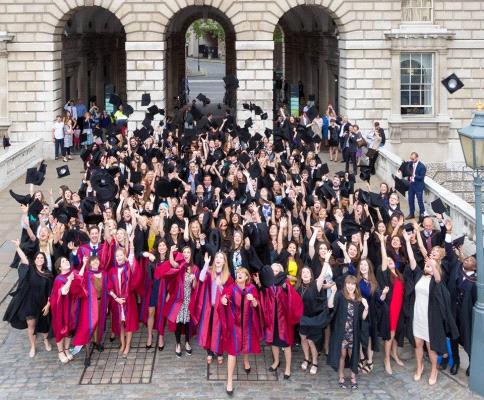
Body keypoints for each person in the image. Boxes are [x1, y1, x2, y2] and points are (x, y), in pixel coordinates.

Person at [404, 229, 458, 385]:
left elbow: (438, 277)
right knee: (418, 344)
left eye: (429, 266)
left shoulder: (436, 280)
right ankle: (419, 367)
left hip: (431, 318)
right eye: (427, 265)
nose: (426, 266)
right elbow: (413, 260)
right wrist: (408, 242)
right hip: (418, 316)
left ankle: (434, 370)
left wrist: (433, 264)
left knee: (431, 347)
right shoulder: (420, 274)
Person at [3, 240, 53, 358]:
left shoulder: (48, 274)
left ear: (44, 260)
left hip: (43, 303)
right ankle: (33, 346)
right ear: (34, 260)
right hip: (30, 303)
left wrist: (48, 304)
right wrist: (17, 247)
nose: (40, 260)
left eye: (42, 258)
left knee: (45, 325)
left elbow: (50, 292)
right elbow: (24, 260)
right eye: (38, 258)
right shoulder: (30, 270)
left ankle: (46, 340)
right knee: (31, 325)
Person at [219, 268, 262, 396]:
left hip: (248, 324)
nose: (239, 274)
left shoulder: (252, 288)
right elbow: (224, 297)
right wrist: (223, 300)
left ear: (247, 277)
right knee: (232, 351)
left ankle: (245, 360)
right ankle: (230, 381)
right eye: (238, 273)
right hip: (235, 325)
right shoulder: (231, 288)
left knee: (246, 344)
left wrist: (253, 300)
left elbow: (257, 304)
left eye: (242, 273)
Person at [257, 263, 304, 380]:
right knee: (274, 342)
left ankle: (288, 367)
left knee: (286, 344)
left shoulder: (285, 283)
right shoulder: (268, 285)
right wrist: (260, 286)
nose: (274, 273)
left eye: (277, 271)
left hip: (283, 320)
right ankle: (276, 361)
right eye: (272, 270)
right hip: (272, 319)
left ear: (281, 272)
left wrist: (286, 289)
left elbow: (293, 299)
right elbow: (264, 299)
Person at [328, 275, 369, 389]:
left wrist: (366, 308)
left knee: (353, 356)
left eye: (353, 284)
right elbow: (330, 305)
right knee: (342, 355)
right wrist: (333, 292)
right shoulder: (341, 295)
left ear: (356, 285)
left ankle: (352, 377)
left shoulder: (358, 298)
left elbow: (363, 318)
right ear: (345, 284)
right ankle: (341, 377)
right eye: (348, 283)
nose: (350, 286)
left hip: (353, 333)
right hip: (342, 333)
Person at [192, 251, 233, 364]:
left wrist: (220, 285)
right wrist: (206, 264)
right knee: (208, 329)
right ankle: (209, 352)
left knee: (219, 330)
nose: (218, 259)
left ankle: (219, 352)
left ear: (224, 262)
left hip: (220, 309)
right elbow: (200, 278)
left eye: (221, 258)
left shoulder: (227, 276)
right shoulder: (210, 272)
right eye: (217, 257)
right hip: (209, 307)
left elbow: (230, 293)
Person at [297, 254, 332, 375]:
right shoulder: (298, 288)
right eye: (303, 273)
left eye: (307, 272)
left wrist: (326, 260)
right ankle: (307, 358)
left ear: (311, 275)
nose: (305, 274)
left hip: (314, 319)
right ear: (301, 276)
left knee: (311, 341)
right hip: (303, 319)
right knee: (303, 339)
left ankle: (315, 362)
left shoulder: (315, 285)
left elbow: (322, 274)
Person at [406, 152, 427, 219]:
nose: (412, 160)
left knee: (420, 201)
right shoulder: (410, 164)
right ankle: (412, 214)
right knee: (410, 200)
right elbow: (407, 170)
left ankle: (422, 215)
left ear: (417, 158)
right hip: (411, 185)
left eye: (413, 159)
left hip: (418, 186)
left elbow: (421, 177)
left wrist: (414, 175)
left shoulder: (422, 166)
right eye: (411, 158)